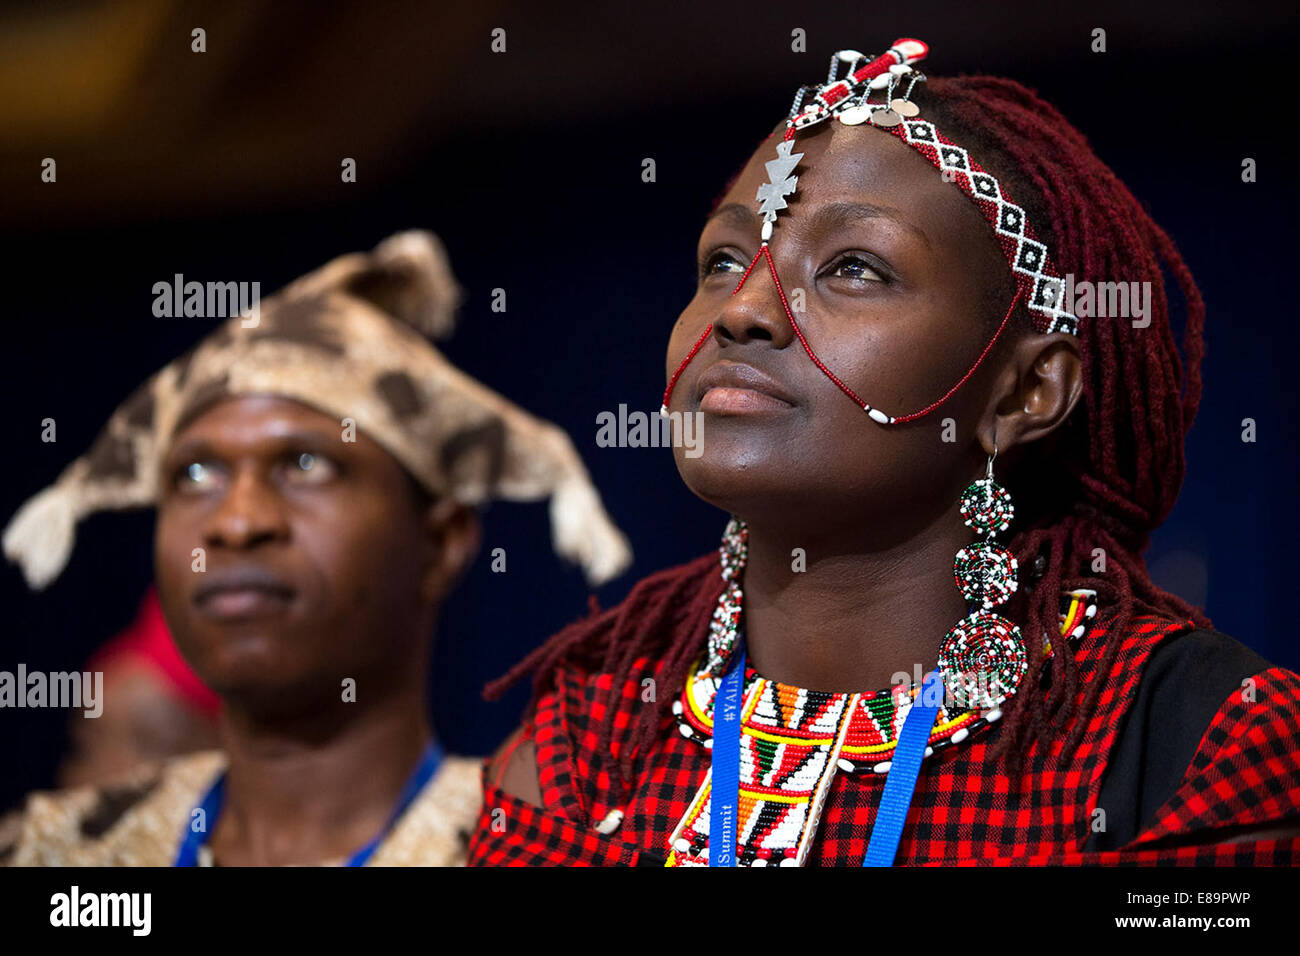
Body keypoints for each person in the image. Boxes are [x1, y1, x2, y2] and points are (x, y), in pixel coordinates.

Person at [467, 40, 1300, 866]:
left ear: (1022, 394)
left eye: (855, 268)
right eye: (723, 260)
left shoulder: (1199, 744)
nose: (745, 309)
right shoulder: (587, 736)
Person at [1, 230, 630, 866]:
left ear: (441, 544)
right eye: (195, 474)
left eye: (305, 464)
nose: (237, 521)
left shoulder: (533, 852)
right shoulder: (54, 855)